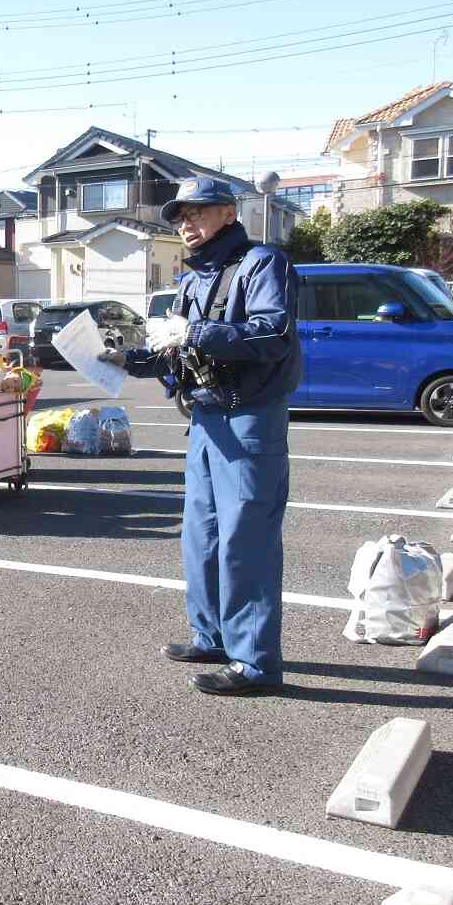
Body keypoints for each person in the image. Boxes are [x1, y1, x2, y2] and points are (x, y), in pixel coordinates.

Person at [103, 176, 300, 697]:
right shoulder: (193, 280)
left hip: (250, 415)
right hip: (206, 417)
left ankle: (255, 662)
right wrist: (131, 361)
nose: (186, 223)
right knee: (202, 534)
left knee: (246, 538)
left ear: (229, 213)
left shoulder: (262, 264)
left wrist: (195, 333)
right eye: (180, 216)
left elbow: (271, 334)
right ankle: (211, 635)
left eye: (197, 212)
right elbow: (180, 356)